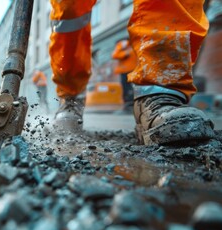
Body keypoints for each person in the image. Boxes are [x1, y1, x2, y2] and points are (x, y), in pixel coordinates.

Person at [50, 0, 215, 145]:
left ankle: (160, 90)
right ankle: (71, 96)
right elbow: (116, 56)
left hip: (131, 69)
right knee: (69, 9)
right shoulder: (120, 47)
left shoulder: (126, 45)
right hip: (122, 70)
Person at [112, 38, 137, 112]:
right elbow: (115, 55)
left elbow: (114, 55)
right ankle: (130, 103)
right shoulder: (129, 46)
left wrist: (123, 51)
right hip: (129, 70)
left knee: (128, 87)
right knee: (129, 87)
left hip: (128, 70)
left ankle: (130, 103)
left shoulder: (124, 44)